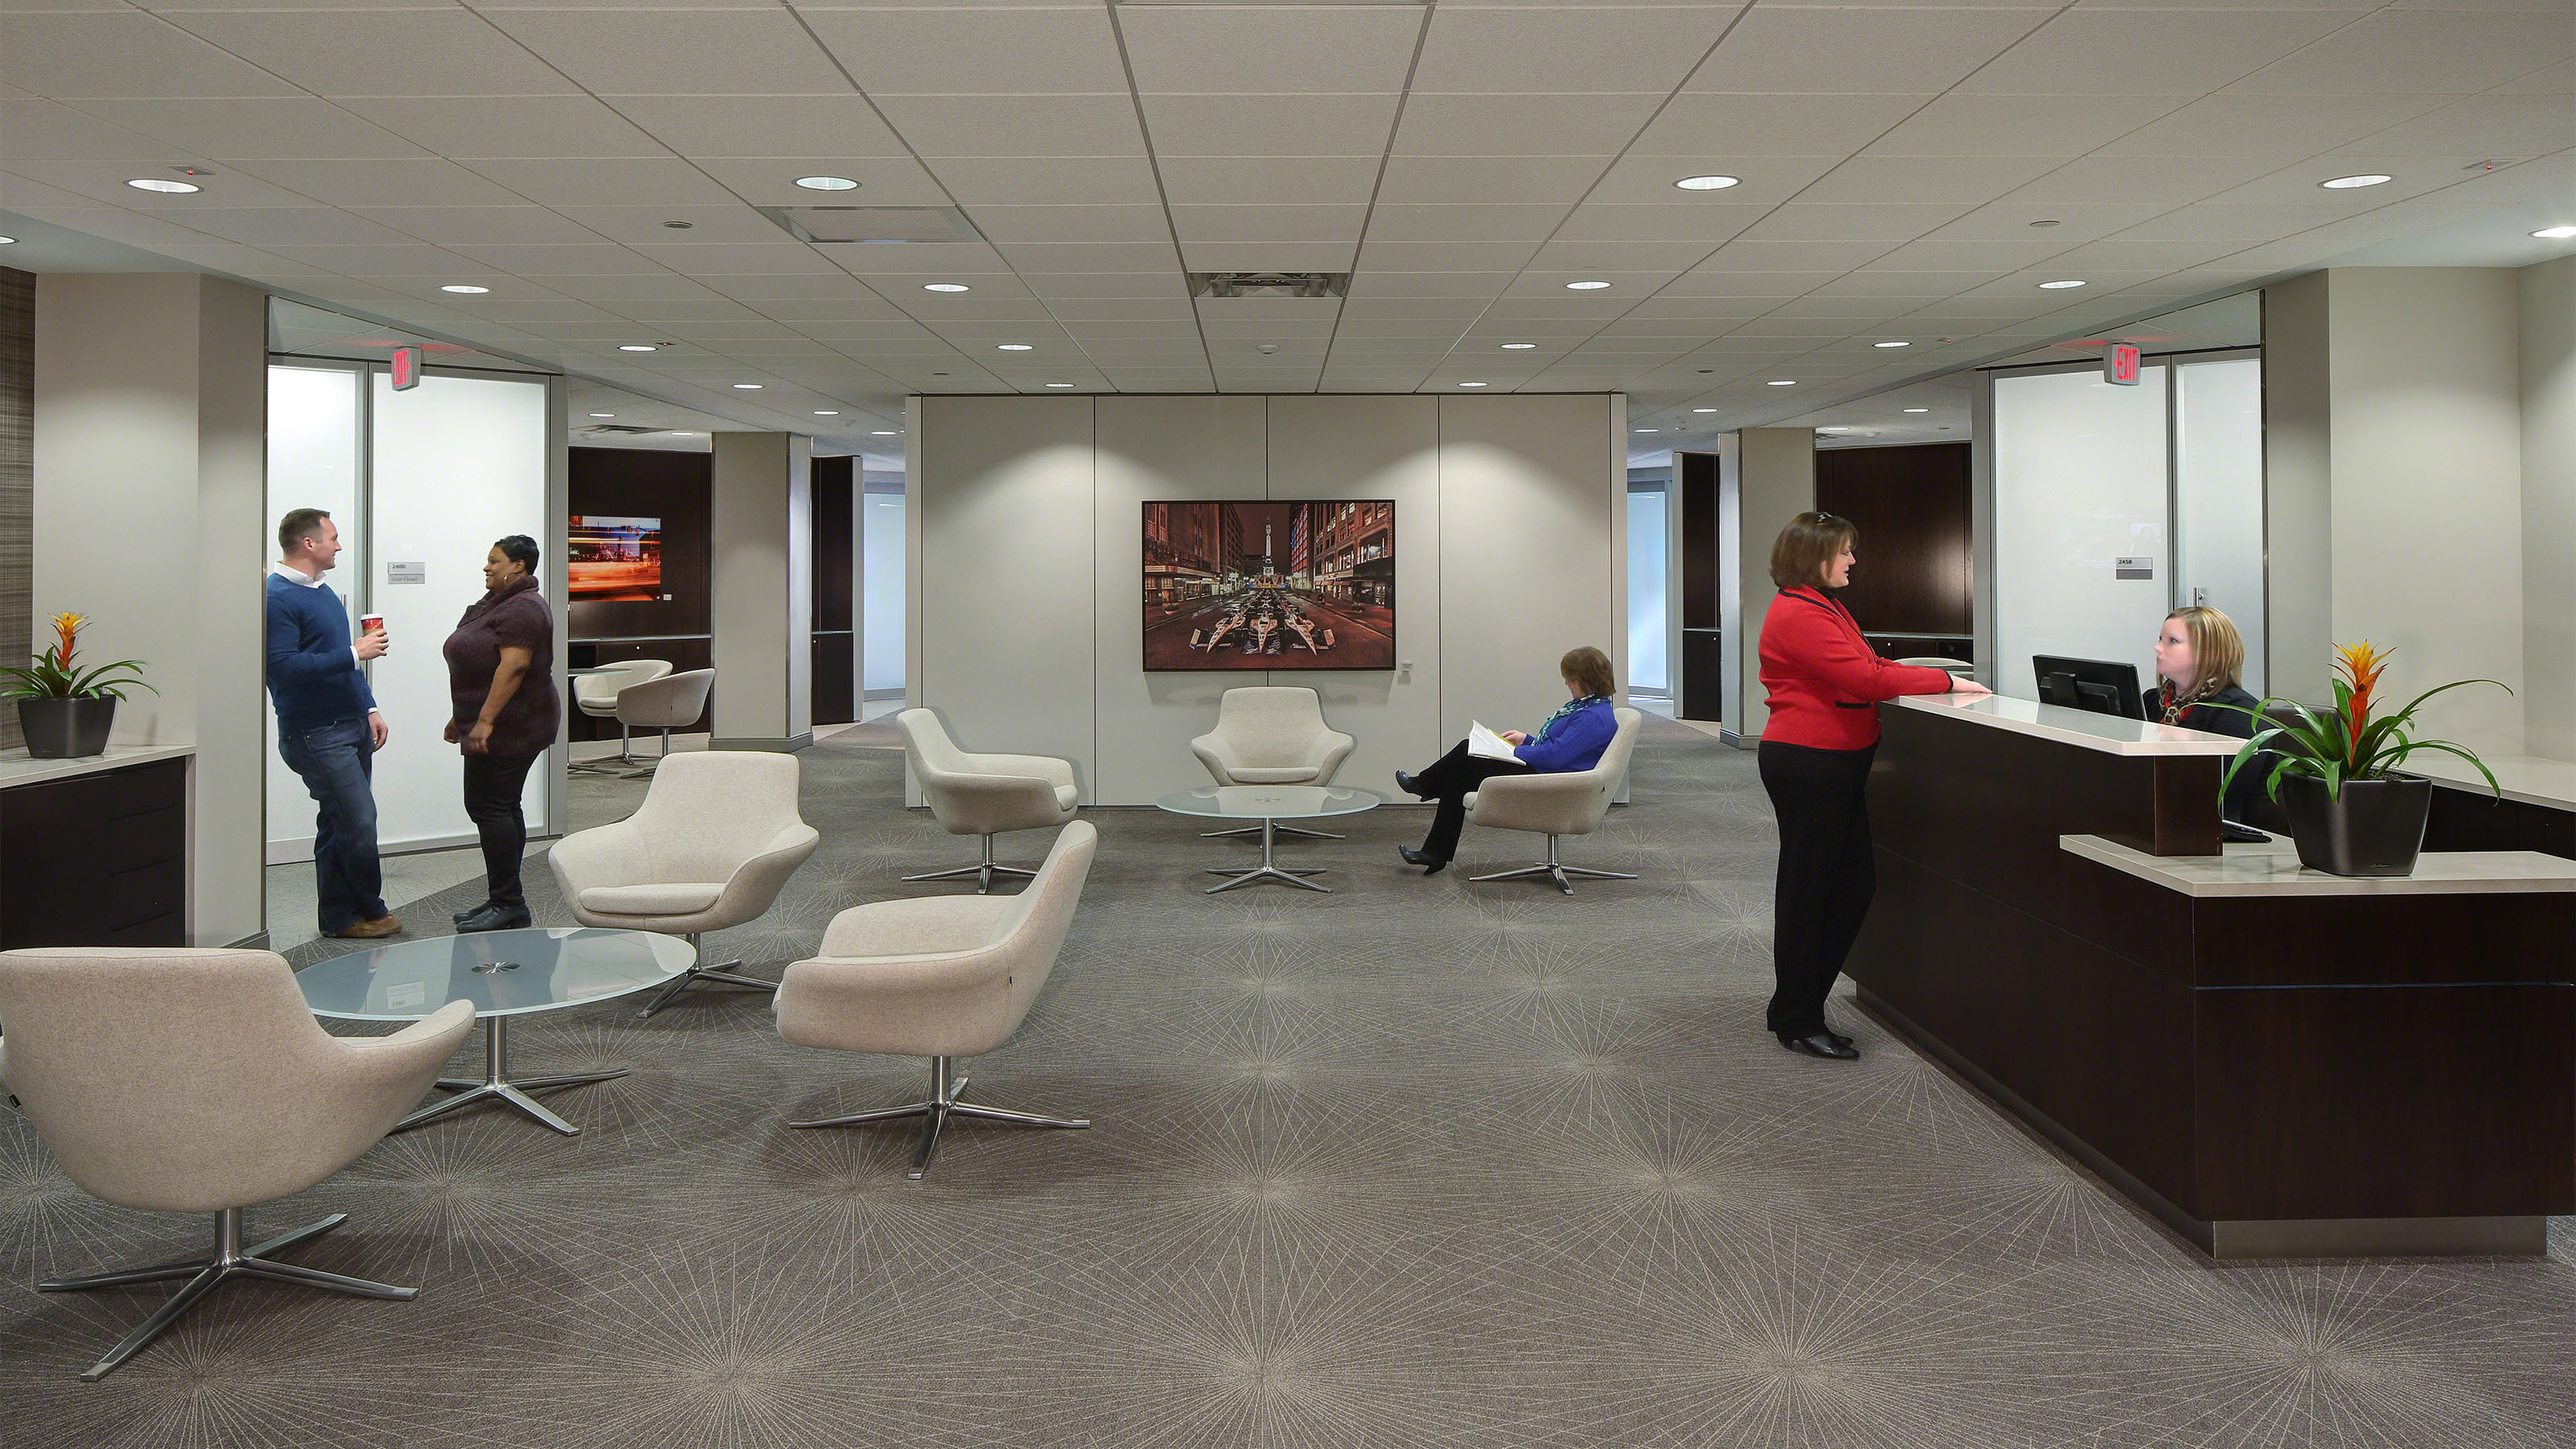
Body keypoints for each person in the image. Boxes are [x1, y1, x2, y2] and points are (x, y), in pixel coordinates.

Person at [1758, 511, 1988, 1061]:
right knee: (1811, 892)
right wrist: (1946, 679)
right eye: (1845, 551)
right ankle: (1797, 1015)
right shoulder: (1799, 612)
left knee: (1848, 885)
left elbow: (1867, 664)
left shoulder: (1822, 604)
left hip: (1833, 761)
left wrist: (1911, 675)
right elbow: (1866, 678)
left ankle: (1795, 1004)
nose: (1853, 561)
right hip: (1812, 761)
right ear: (1814, 555)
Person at [266, 509, 398, 940]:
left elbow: (343, 663)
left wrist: (369, 707)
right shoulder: (276, 599)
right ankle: (369, 910)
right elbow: (281, 667)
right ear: (309, 544)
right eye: (334, 538)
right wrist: (354, 653)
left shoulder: (322, 591)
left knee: (339, 820)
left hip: (350, 724)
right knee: (359, 820)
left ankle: (339, 917)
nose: (339, 546)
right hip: (315, 732)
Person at [1392, 646, 1622, 875]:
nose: (1566, 684)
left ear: (1588, 680)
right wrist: (1527, 740)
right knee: (1459, 775)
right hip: (1548, 771)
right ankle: (1434, 852)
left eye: (1570, 679)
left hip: (1554, 781)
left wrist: (1513, 752)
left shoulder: (1593, 718)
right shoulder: (1587, 707)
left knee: (1467, 750)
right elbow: (1560, 748)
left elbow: (1555, 756)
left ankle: (1425, 785)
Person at [441, 535, 560, 933]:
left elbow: (513, 667)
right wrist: (461, 718)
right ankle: (504, 900)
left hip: (513, 724)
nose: (486, 567)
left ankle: (508, 903)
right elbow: (477, 666)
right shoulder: (501, 604)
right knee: (501, 806)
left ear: (519, 567)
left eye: (494, 561)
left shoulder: (524, 608)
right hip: (494, 721)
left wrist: (485, 721)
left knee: (489, 806)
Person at [2145, 605, 2270, 825]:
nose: (2158, 648)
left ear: (2209, 652)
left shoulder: (2239, 713)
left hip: (2226, 838)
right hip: (2168, 823)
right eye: (2160, 639)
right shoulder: (2152, 702)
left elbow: (2223, 793)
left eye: (2172, 641)